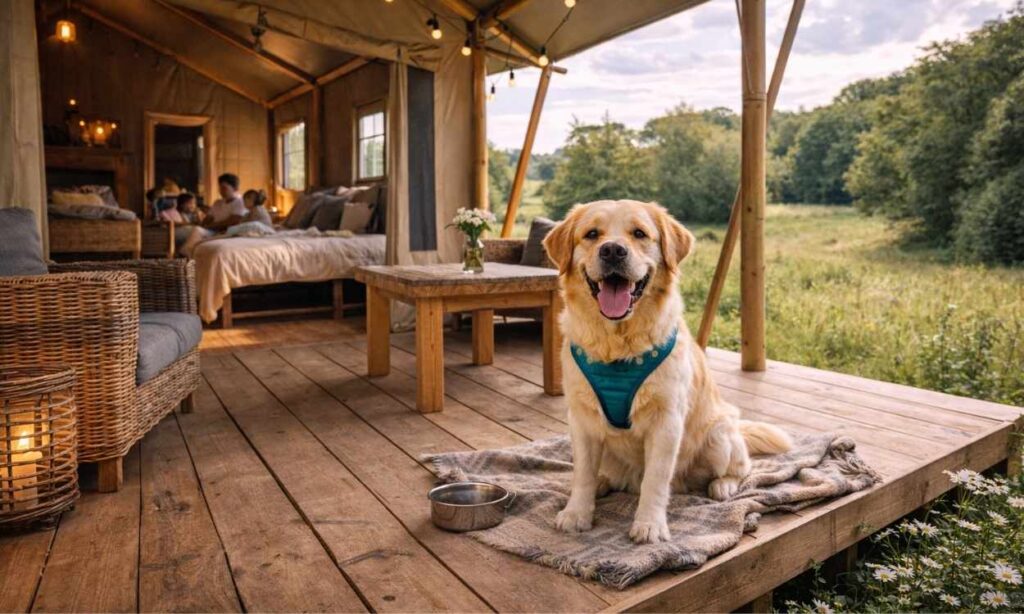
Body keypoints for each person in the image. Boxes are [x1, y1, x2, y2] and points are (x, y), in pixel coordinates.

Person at [182, 173, 246, 256]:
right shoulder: (218, 202)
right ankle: (188, 255)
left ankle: (185, 256)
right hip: (213, 230)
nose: (221, 191)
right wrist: (203, 225)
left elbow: (233, 220)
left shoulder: (240, 202)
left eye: (224, 188)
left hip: (227, 232)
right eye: (220, 188)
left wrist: (211, 226)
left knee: (197, 232)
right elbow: (209, 217)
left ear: (235, 188)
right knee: (196, 230)